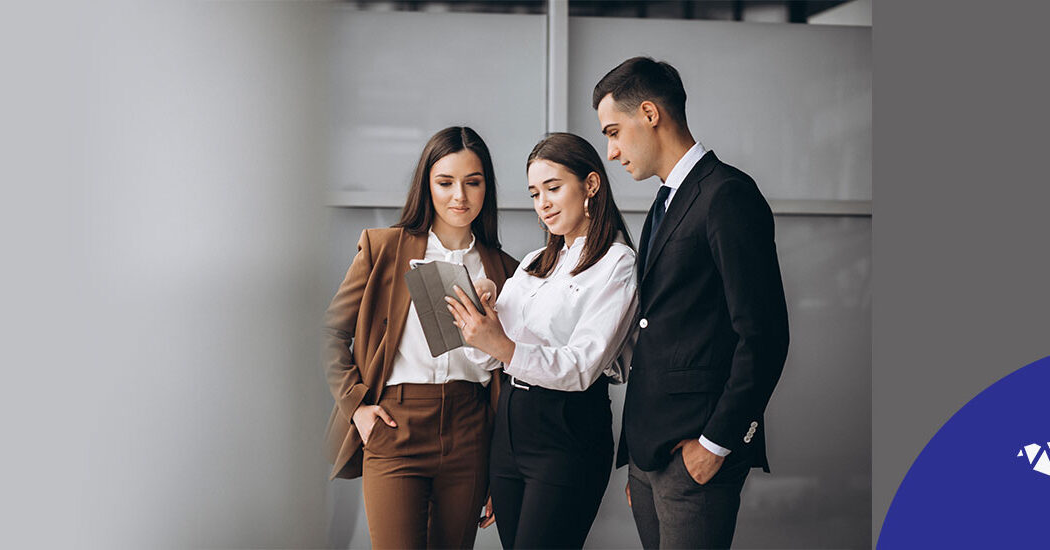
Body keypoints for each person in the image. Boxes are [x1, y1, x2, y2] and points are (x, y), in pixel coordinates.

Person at [593, 57, 790, 548]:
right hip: (650, 455)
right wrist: (639, 458)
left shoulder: (727, 194)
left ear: (650, 113)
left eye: (614, 132)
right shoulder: (664, 202)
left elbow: (763, 335)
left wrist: (716, 445)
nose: (612, 152)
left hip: (698, 454)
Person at [322, 126, 519, 549]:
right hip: (396, 424)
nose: (459, 196)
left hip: (471, 430)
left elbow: (509, 366)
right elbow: (330, 333)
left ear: (487, 188)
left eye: (473, 182)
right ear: (426, 185)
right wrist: (357, 407)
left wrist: (500, 463)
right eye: (445, 182)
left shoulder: (505, 270)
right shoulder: (384, 249)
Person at [446, 132, 638, 549]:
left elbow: (582, 366)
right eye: (535, 193)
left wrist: (499, 342)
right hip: (511, 427)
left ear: (590, 185)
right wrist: (486, 311)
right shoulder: (536, 261)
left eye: (553, 188)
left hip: (565, 429)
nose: (543, 204)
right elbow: (494, 353)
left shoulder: (617, 263)